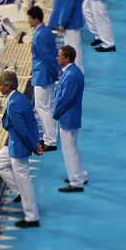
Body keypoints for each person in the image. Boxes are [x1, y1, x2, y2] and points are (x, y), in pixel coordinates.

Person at [0, 71, 42, 228]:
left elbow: (22, 129)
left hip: (19, 146)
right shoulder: (20, 97)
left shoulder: (14, 103)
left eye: (1, 85)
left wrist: (33, 146)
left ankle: (32, 217)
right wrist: (36, 141)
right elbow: (32, 122)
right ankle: (19, 192)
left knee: (24, 180)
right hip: (15, 143)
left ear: (8, 86)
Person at [53, 46, 88, 192]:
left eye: (59, 56)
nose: (57, 58)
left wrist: (56, 113)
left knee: (69, 150)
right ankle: (80, 175)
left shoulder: (71, 75)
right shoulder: (72, 71)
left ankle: (76, 182)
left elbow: (66, 99)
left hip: (68, 117)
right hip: (71, 116)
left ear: (66, 59)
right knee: (73, 148)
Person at [28, 6, 60, 152]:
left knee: (42, 108)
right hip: (47, 74)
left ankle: (51, 140)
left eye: (29, 18)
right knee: (49, 106)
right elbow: (53, 53)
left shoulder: (40, 35)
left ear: (35, 19)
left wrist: (56, 72)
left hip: (43, 75)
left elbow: (46, 57)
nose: (27, 21)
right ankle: (51, 136)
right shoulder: (45, 31)